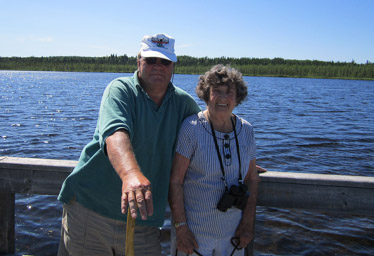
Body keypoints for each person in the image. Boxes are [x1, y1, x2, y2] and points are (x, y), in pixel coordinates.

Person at [57, 33, 201, 256]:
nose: (158, 66)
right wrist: (131, 174)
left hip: (144, 221)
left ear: (173, 66)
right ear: (139, 62)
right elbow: (115, 133)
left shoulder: (184, 104)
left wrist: (239, 165)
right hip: (91, 212)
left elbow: (205, 134)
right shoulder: (120, 90)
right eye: (151, 60)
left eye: (165, 61)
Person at [169, 64, 260, 256]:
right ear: (206, 94)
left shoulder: (247, 130)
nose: (223, 98)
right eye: (217, 91)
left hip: (233, 237)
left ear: (238, 97)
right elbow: (175, 181)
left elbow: (252, 178)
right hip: (194, 236)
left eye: (230, 92)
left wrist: (247, 223)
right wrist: (181, 228)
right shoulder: (191, 127)